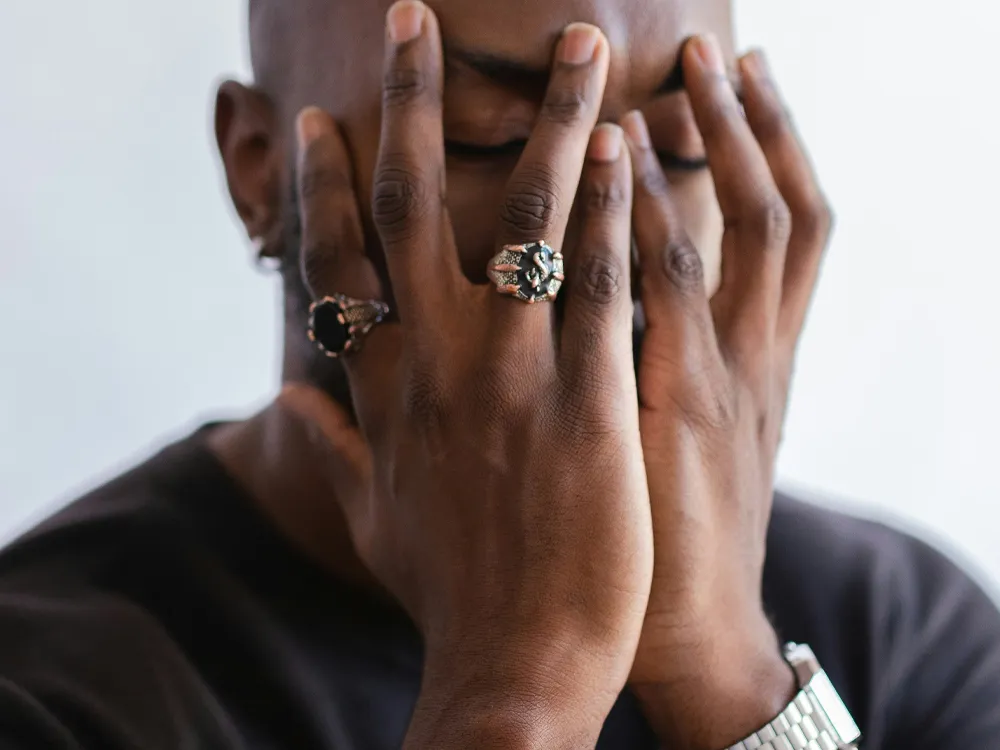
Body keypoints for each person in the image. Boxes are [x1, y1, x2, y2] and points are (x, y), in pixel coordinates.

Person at [1, 0, 998, 748]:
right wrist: (515, 695)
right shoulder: (49, 685)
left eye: (682, 149)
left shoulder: (904, 633)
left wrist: (726, 675)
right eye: (493, 139)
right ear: (258, 165)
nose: (606, 237)